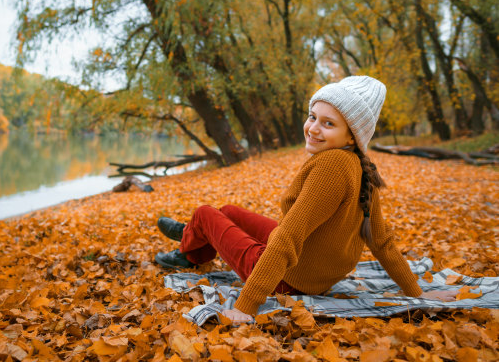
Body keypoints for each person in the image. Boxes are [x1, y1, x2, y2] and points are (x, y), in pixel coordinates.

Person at [154, 76, 457, 324]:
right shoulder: (361, 166)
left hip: (287, 278)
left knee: (206, 212)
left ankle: (189, 250)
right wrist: (416, 292)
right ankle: (191, 237)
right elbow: (381, 241)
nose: (313, 128)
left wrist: (246, 306)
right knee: (228, 211)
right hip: (315, 272)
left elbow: (287, 237)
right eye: (313, 117)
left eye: (328, 124)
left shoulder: (330, 167)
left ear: (352, 136)